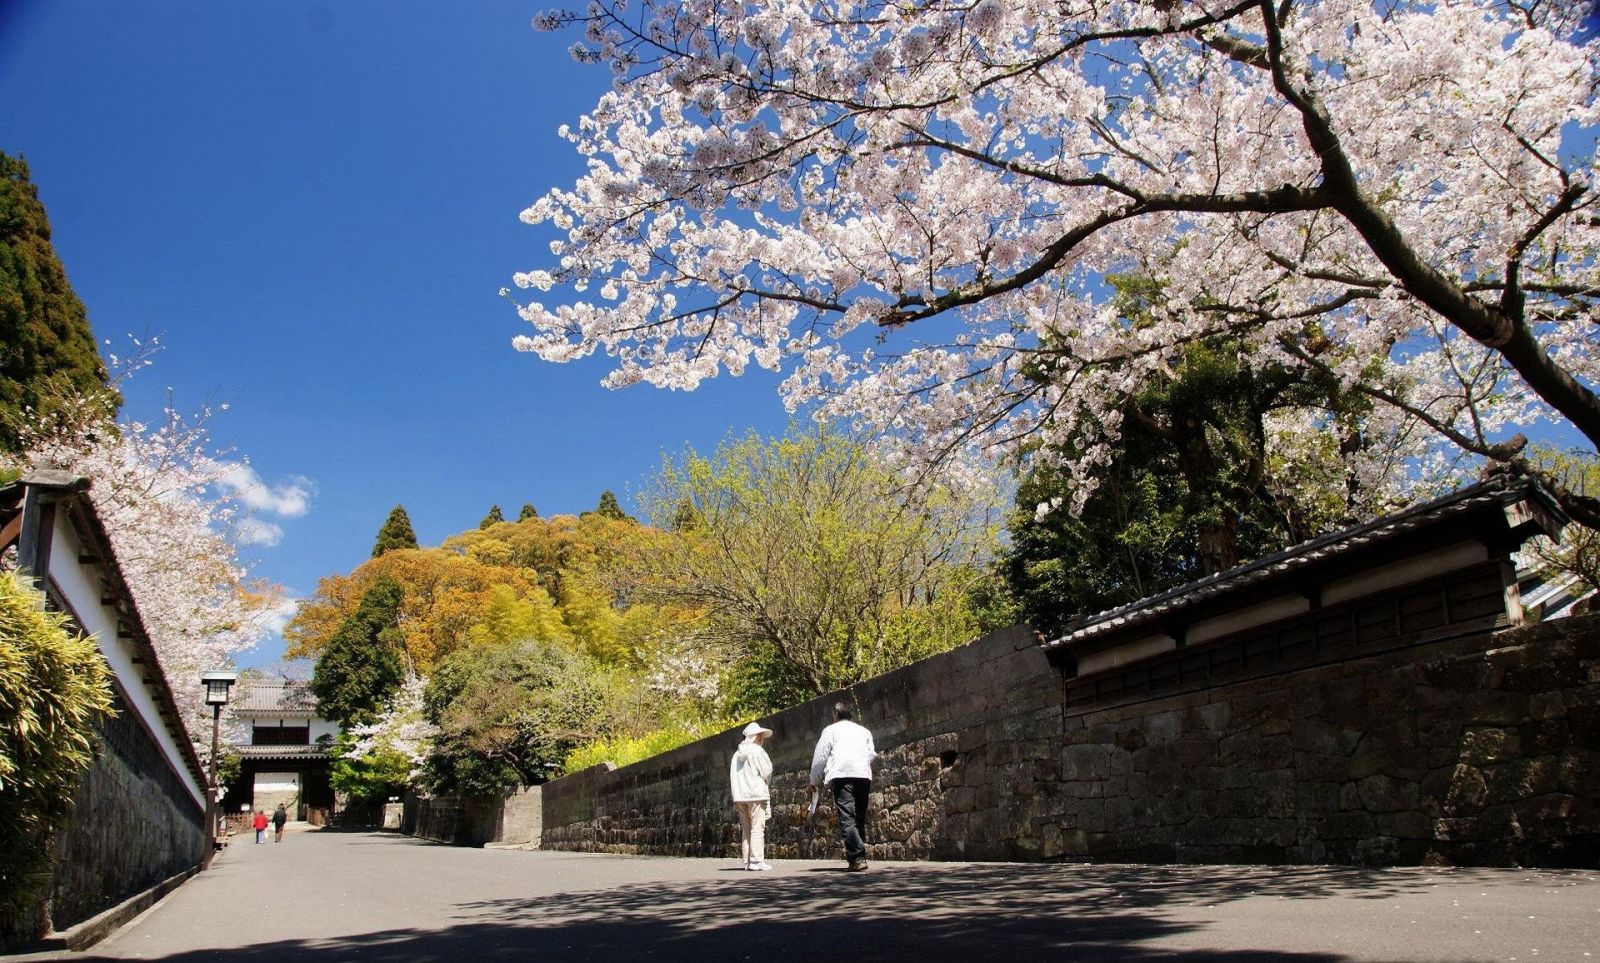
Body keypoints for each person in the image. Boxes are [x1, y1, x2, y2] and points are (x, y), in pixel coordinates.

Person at [808, 700, 876, 871]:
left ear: (835, 714)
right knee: (858, 817)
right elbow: (871, 754)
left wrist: (814, 780)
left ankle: (857, 858)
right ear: (850, 715)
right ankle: (859, 856)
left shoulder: (830, 730)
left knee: (847, 817)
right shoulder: (864, 731)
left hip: (842, 775)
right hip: (862, 775)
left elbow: (820, 757)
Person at [730, 721, 774, 871]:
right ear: (756, 737)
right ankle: (756, 861)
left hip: (740, 796)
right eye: (760, 735)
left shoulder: (736, 754)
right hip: (755, 794)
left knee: (746, 828)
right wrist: (765, 782)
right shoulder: (757, 751)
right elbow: (767, 771)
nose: (762, 738)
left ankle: (747, 861)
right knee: (757, 827)